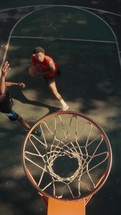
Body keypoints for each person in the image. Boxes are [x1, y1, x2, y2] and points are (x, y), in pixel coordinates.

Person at [0, 61, 41, 136]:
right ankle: (32, 131)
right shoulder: (2, 93)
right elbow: (2, 91)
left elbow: (4, 84)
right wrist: (3, 76)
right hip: (6, 109)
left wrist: (16, 84)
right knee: (20, 119)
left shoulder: (1, 85)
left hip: (5, 104)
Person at [28, 47, 69, 111]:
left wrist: (41, 73)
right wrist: (34, 69)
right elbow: (34, 65)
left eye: (40, 56)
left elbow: (52, 71)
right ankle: (58, 72)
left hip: (49, 75)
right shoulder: (33, 57)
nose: (38, 58)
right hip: (45, 71)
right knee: (55, 70)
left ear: (44, 54)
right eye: (36, 56)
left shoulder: (49, 61)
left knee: (54, 91)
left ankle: (65, 105)